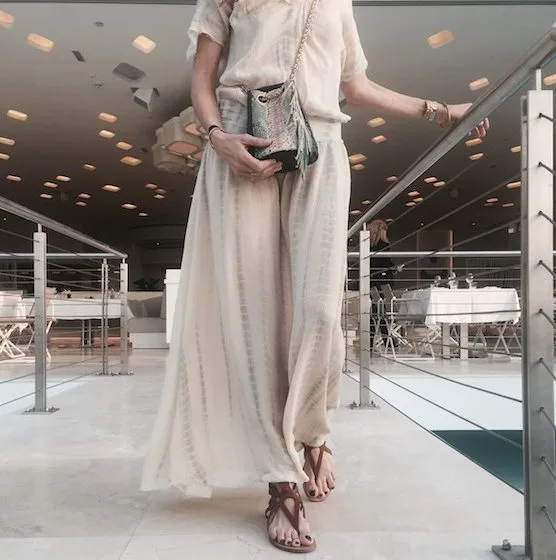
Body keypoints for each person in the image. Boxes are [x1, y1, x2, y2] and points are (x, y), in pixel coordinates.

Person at [141, 0, 489, 554]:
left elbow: (356, 85)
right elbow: (201, 79)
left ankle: (312, 433)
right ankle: (281, 480)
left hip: (320, 148)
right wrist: (216, 136)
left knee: (322, 311)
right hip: (240, 143)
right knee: (256, 321)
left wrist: (441, 111)